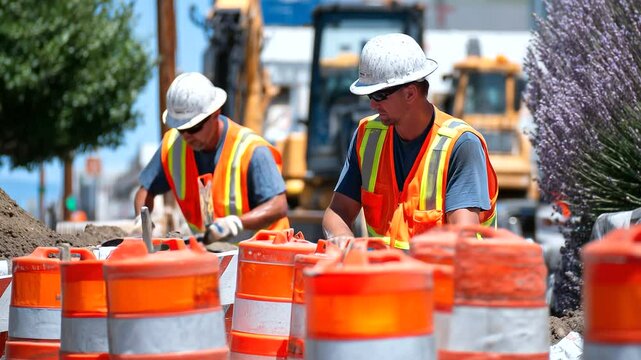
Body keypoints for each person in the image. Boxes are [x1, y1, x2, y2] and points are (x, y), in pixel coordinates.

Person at [322, 33, 498, 250]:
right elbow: (338, 212)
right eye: (369, 96)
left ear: (410, 93)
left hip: (444, 281)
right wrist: (341, 239)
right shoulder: (367, 135)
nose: (373, 105)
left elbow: (464, 239)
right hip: (384, 280)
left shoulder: (460, 144)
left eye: (379, 95)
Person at [134, 72, 289, 243]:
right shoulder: (173, 146)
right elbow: (145, 190)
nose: (187, 136)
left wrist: (236, 223)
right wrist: (143, 222)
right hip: (214, 256)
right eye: (181, 129)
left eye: (194, 127)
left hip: (266, 256)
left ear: (216, 113)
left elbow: (279, 205)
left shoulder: (251, 150)